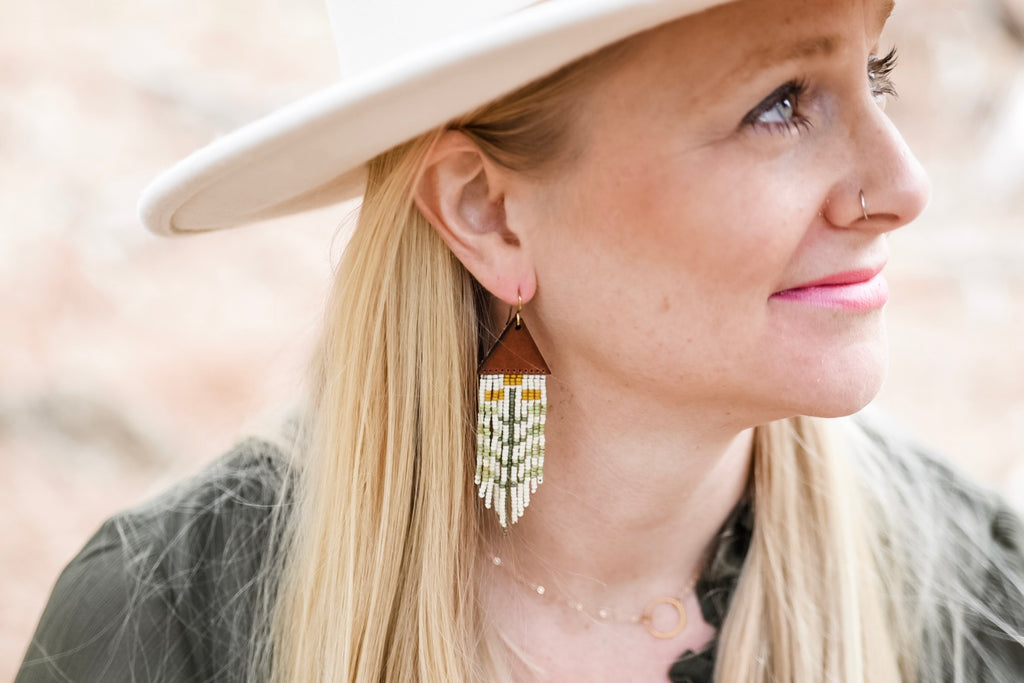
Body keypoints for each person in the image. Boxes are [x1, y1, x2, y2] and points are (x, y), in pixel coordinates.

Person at [15, 0, 1024, 681]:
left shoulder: (979, 611)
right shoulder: (165, 630)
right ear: (488, 213)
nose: (902, 187)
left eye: (874, 72)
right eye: (779, 104)